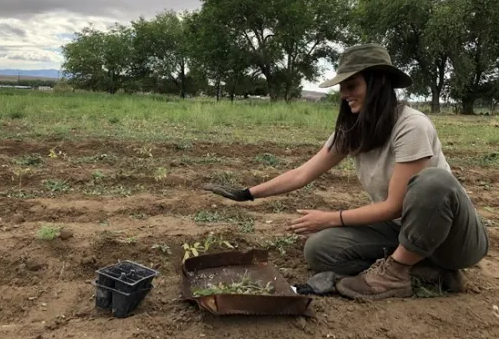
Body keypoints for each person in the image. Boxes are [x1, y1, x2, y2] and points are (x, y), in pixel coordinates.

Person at [204, 43, 489, 301]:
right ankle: (427, 272)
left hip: (453, 239)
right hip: (401, 230)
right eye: (342, 87)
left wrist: (330, 218)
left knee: (433, 182)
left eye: (351, 85)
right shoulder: (354, 129)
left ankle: (397, 273)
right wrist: (248, 194)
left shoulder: (412, 126)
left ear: (377, 83)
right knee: (319, 249)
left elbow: (393, 205)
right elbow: (303, 173)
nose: (344, 95)